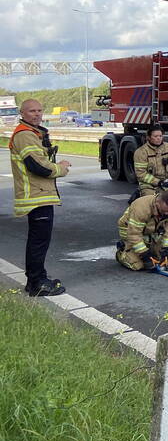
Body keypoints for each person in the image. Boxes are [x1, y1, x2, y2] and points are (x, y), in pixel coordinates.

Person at [8, 99, 71, 296]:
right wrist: (60, 168)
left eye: (39, 110)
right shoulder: (25, 135)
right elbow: (39, 166)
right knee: (38, 242)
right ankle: (37, 283)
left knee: (39, 241)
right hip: (36, 196)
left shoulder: (31, 133)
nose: (36, 114)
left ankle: (37, 279)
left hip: (39, 195)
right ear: (23, 113)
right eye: (31, 111)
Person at [116, 190, 168, 271]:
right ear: (157, 203)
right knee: (138, 265)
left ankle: (148, 246)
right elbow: (134, 234)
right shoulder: (141, 208)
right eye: (163, 211)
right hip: (129, 230)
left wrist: (167, 250)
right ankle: (122, 253)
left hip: (150, 230)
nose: (166, 214)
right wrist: (144, 254)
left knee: (159, 259)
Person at [134, 126, 168, 197]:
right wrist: (159, 182)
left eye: (160, 136)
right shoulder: (141, 152)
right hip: (148, 185)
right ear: (148, 137)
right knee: (152, 201)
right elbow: (141, 174)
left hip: (166, 184)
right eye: (155, 136)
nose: (158, 138)